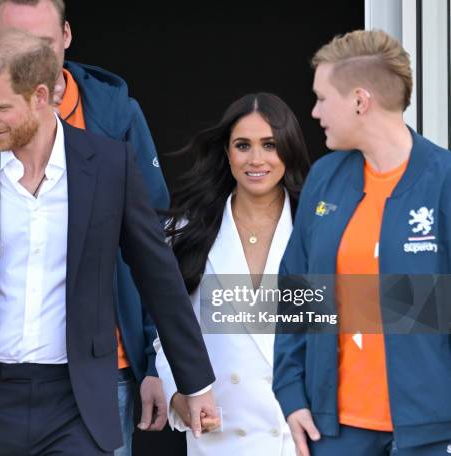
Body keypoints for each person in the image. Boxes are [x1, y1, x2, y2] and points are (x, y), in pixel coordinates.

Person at [0, 29, 217, 456]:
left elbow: (158, 275)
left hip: (78, 401)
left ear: (39, 96)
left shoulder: (109, 164)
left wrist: (195, 381)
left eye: (0, 107)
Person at [273, 29, 451, 456]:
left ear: (359, 100)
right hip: (335, 431)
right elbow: (296, 291)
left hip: (429, 431)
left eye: (321, 97)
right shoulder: (325, 178)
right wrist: (292, 394)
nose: (314, 112)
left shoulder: (443, 180)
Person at [155, 93, 310, 455]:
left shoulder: (317, 230)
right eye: (243, 145)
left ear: (288, 150)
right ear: (227, 153)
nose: (256, 159)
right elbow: (169, 331)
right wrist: (177, 394)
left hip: (298, 439)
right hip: (220, 440)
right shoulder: (186, 232)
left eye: (270, 145)